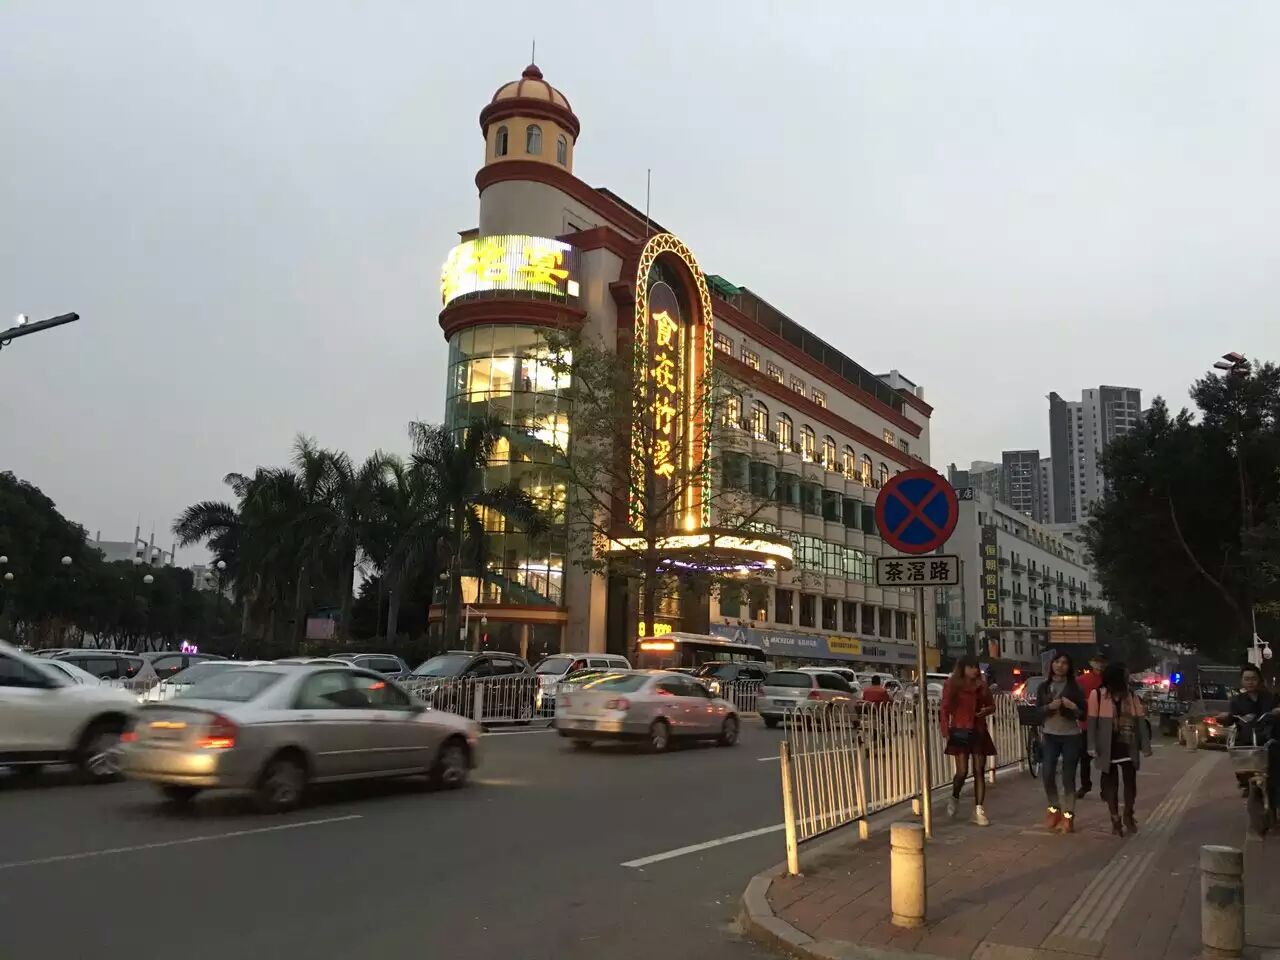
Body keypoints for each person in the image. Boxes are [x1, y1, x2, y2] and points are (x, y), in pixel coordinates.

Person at [1087, 662, 1151, 836]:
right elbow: (1092, 723)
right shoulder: (1097, 695)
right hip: (1107, 745)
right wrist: (1091, 745)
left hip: (1128, 743)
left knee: (1130, 781)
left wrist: (1145, 746)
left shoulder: (1131, 696)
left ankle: (1128, 813)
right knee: (1110, 783)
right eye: (1125, 675)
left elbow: (1140, 721)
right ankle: (1114, 817)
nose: (1128, 678)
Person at [940, 655, 997, 826]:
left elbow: (992, 705)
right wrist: (945, 730)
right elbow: (944, 709)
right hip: (960, 730)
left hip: (978, 730)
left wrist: (986, 711)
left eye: (976, 667)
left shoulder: (982, 686)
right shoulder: (951, 685)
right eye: (970, 667)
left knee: (979, 770)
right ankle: (955, 796)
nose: (974, 670)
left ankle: (979, 810)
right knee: (962, 772)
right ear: (962, 668)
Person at [1036, 652, 1087, 833]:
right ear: (1051, 664)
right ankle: (1054, 809)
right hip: (1050, 735)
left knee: (1068, 777)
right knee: (1047, 773)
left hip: (1071, 736)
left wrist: (1073, 707)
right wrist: (1049, 707)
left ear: (1069, 667)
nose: (1060, 665)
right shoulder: (1043, 687)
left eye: (1064, 663)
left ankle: (1068, 815)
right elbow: (1037, 711)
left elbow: (1083, 714)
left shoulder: (1075, 688)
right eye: (1057, 662)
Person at [1223, 665, 1280, 805]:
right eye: (1247, 679)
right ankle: (1246, 785)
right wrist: (1224, 718)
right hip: (1247, 742)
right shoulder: (1237, 701)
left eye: (1253, 679)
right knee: (1240, 759)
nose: (1250, 682)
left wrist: (1276, 712)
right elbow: (1231, 718)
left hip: (1269, 740)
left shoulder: (1271, 698)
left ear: (1259, 680)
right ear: (1242, 681)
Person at [1076, 647, 1108, 798]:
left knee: (1104, 758)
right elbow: (1076, 699)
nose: (1099, 665)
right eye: (1097, 662)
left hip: (1104, 724)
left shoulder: (1108, 680)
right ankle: (1085, 785)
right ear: (1091, 663)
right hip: (1087, 725)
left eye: (1102, 662)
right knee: (1084, 758)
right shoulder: (1082, 680)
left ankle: (1105, 789)